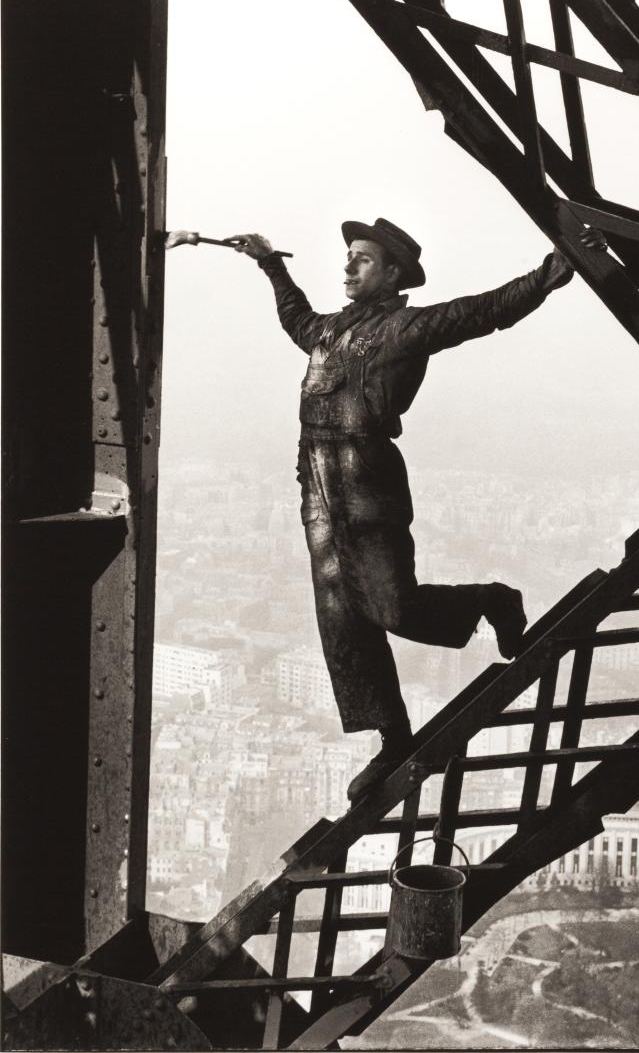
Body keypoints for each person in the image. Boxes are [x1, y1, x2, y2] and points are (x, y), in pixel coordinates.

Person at [227, 218, 606, 801]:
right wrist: (270, 262)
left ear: (393, 273)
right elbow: (295, 318)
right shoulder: (328, 332)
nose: (349, 267)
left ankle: (491, 600)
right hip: (319, 489)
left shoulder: (407, 328)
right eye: (348, 257)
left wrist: (555, 269)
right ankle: (392, 737)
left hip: (367, 485)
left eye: (363, 259)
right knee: (341, 620)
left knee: (392, 607)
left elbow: (485, 311)